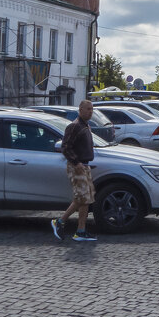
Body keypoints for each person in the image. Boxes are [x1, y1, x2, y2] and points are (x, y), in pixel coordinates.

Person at [52, 100, 97, 242]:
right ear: (80, 109)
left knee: (85, 199)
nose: (90, 111)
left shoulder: (86, 126)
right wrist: (76, 162)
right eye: (88, 109)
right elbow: (65, 147)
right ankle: (59, 221)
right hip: (77, 167)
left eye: (92, 109)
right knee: (81, 197)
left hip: (85, 165)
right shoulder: (74, 126)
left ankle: (80, 231)